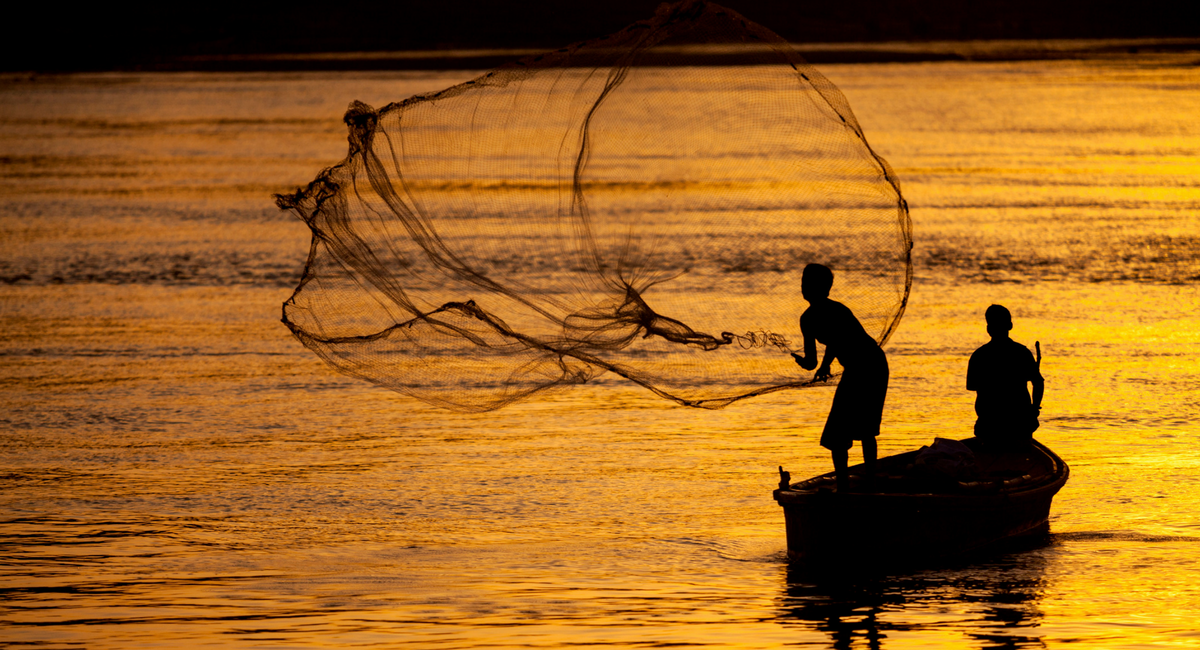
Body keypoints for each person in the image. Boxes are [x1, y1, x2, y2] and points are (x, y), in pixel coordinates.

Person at [790, 263, 889, 492]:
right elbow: (811, 362)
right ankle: (844, 484)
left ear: (824, 288)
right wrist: (804, 363)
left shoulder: (837, 310)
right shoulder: (806, 319)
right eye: (804, 283)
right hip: (855, 368)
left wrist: (825, 365)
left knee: (865, 428)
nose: (805, 288)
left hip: (872, 364)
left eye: (810, 284)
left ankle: (870, 483)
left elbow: (837, 338)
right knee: (838, 432)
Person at [967, 305, 1044, 450]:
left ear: (988, 329)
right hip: (1019, 423)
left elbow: (973, 386)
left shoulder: (979, 355)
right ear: (1010, 326)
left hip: (988, 425)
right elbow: (1038, 383)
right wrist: (1034, 409)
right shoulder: (1022, 353)